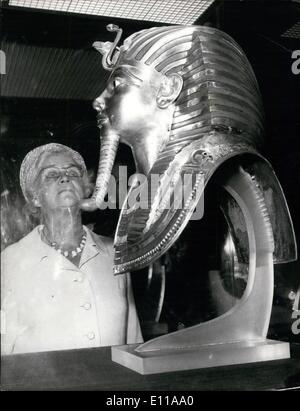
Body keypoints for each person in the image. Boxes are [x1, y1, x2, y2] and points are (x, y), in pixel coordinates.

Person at [1, 143, 142, 355]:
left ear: (87, 189)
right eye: (50, 175)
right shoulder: (11, 261)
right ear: (35, 197)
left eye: (73, 172)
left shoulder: (115, 253)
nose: (65, 178)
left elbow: (132, 343)